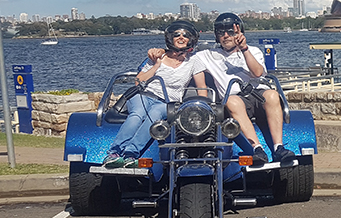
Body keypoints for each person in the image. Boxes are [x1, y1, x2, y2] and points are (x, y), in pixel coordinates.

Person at [147, 13, 294, 165]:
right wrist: (161, 52)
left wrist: (244, 48)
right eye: (221, 32)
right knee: (232, 101)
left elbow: (257, 73)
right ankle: (256, 148)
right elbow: (182, 52)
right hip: (234, 100)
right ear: (217, 36)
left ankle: (279, 147)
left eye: (231, 32)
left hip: (258, 94)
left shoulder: (253, 50)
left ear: (239, 32)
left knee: (272, 94)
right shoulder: (208, 55)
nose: (226, 36)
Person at [104, 20, 207, 168]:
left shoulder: (194, 61)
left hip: (167, 102)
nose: (181, 37)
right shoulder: (158, 56)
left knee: (155, 114)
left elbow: (202, 87)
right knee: (138, 113)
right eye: (177, 34)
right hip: (144, 94)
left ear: (191, 39)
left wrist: (202, 107)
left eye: (186, 35)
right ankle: (114, 152)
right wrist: (156, 65)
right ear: (170, 38)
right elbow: (138, 81)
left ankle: (131, 153)